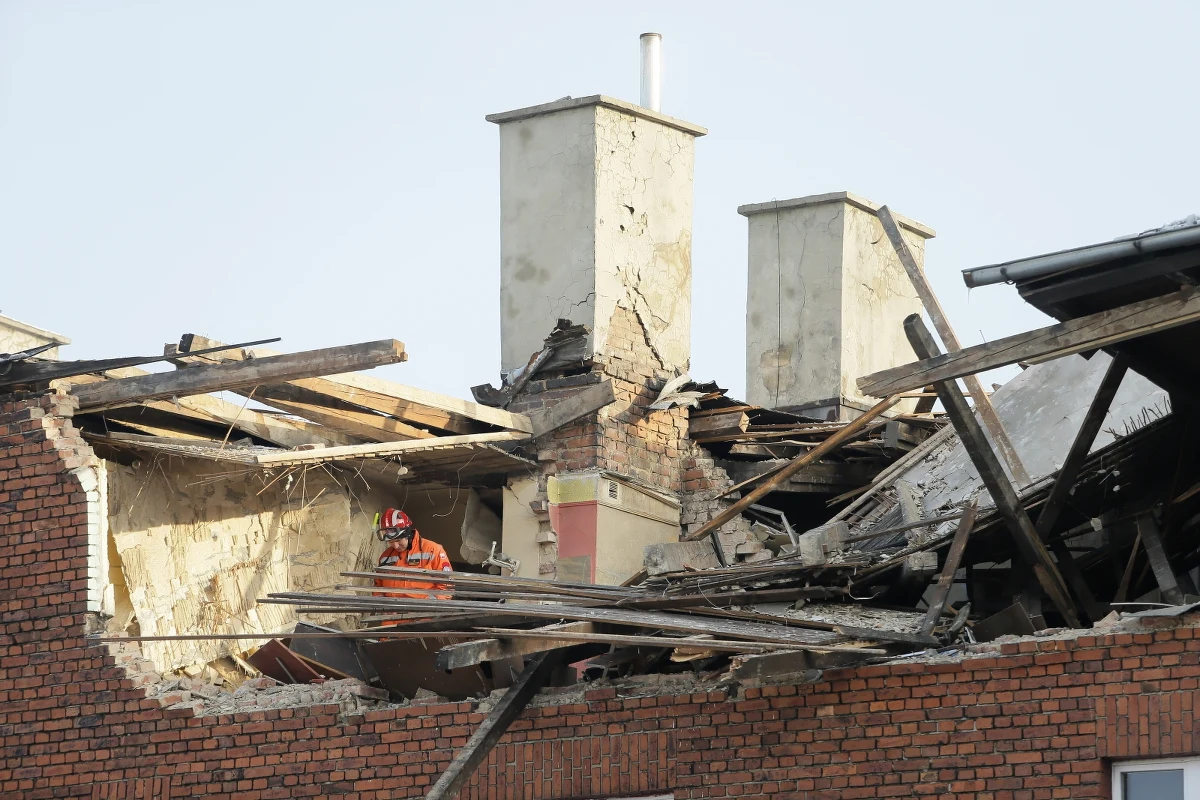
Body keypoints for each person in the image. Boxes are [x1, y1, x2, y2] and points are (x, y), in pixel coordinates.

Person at [373, 508, 453, 602]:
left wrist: (425, 607)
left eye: (398, 540)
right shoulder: (385, 557)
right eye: (390, 542)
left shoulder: (433, 550)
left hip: (423, 615)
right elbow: (378, 586)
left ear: (407, 533)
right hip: (391, 615)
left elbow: (446, 587)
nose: (395, 546)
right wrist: (383, 607)